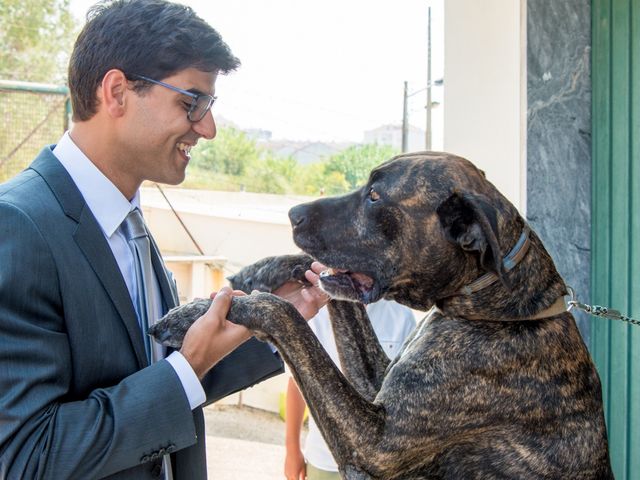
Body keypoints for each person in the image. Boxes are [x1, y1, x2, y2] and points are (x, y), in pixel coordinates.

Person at [0, 1, 326, 479]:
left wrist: (275, 325)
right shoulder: (18, 225)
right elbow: (26, 456)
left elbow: (163, 376)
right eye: (191, 102)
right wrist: (186, 367)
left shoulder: (127, 221)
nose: (208, 128)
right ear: (116, 92)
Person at [284, 300, 416, 480]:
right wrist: (292, 450)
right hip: (324, 458)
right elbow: (297, 383)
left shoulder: (401, 315)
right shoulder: (316, 311)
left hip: (378, 467)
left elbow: (406, 397)